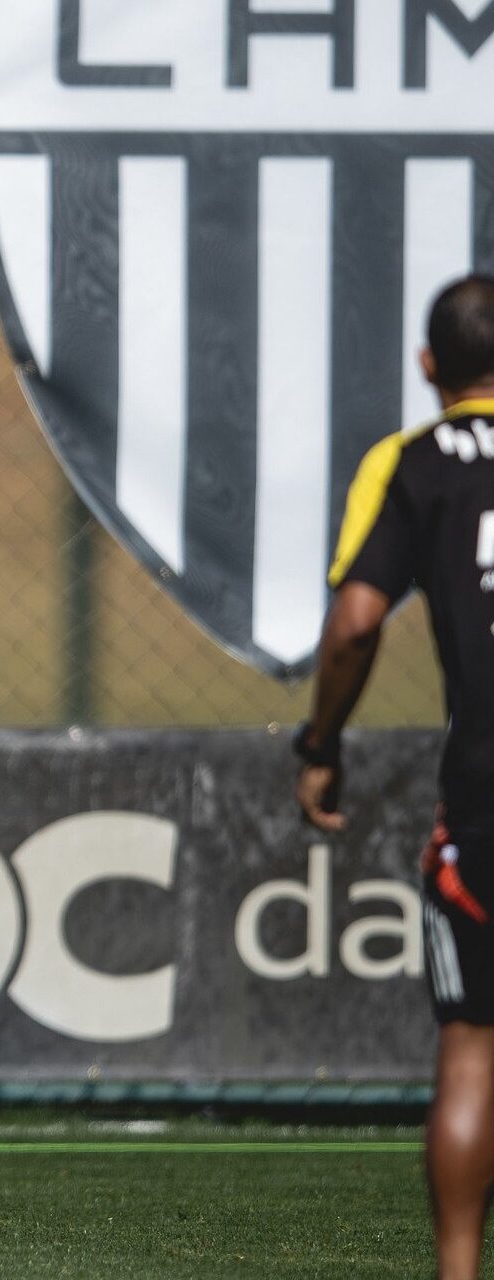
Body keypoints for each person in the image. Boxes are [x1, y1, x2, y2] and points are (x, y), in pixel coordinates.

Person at [295, 274, 494, 1280]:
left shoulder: (413, 462)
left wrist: (318, 742)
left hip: (483, 789)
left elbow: (354, 622)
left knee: (470, 1045)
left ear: (428, 368)